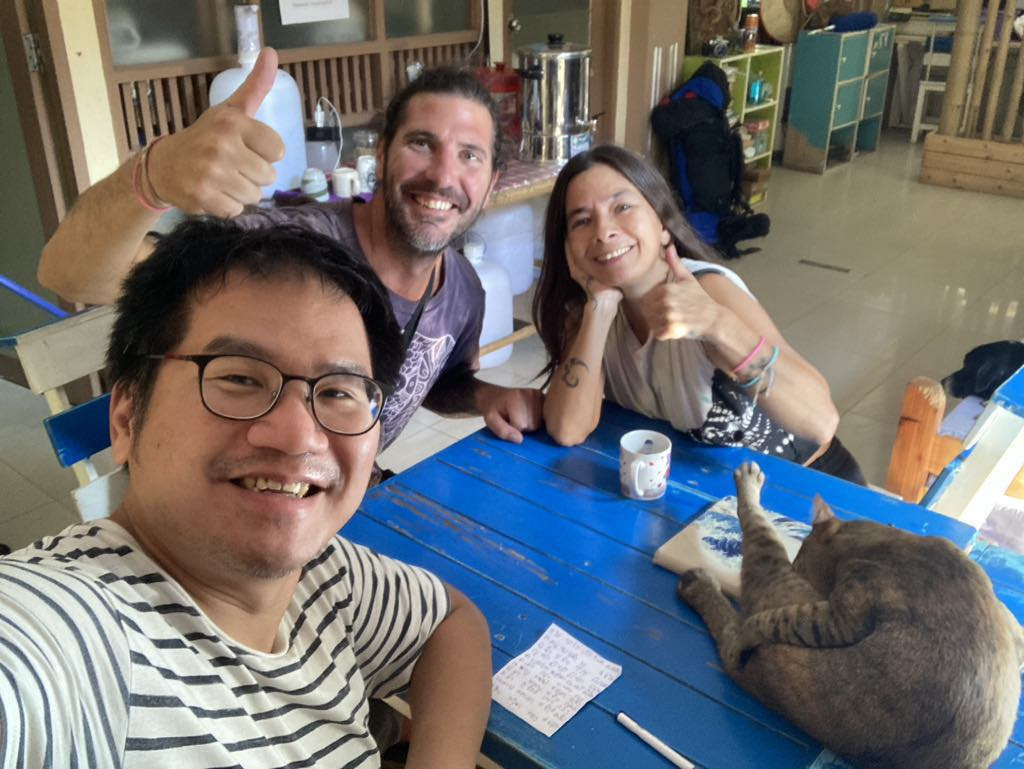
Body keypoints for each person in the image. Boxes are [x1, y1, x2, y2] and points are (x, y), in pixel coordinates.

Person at [0, 220, 492, 767]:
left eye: (338, 392)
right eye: (239, 378)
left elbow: (452, 621)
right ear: (126, 418)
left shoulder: (326, 577)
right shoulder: (71, 635)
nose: (300, 435)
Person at [38, 49, 542, 454]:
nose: (443, 175)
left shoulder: (463, 290)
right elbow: (72, 276)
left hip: (337, 500)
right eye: (421, 144)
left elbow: (438, 379)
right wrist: (152, 177)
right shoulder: (292, 247)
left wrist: (486, 395)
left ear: (491, 182)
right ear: (382, 152)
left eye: (469, 155)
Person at [533, 145, 865, 484]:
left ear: (663, 224)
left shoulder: (709, 290)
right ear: (567, 246)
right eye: (582, 221)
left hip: (811, 484)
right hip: (715, 492)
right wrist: (599, 310)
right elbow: (568, 429)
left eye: (622, 207)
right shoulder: (588, 311)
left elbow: (821, 422)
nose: (604, 232)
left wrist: (717, 324)